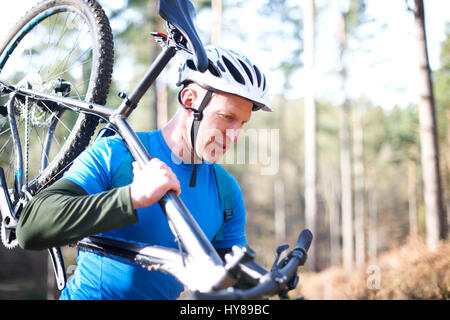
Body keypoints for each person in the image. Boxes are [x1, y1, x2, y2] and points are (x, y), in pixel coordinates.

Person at [16, 45, 272, 300]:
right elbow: (30, 226)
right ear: (190, 100)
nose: (236, 135)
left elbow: (230, 277)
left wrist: (268, 281)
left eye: (242, 123)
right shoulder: (117, 153)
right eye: (226, 117)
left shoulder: (225, 190)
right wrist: (132, 197)